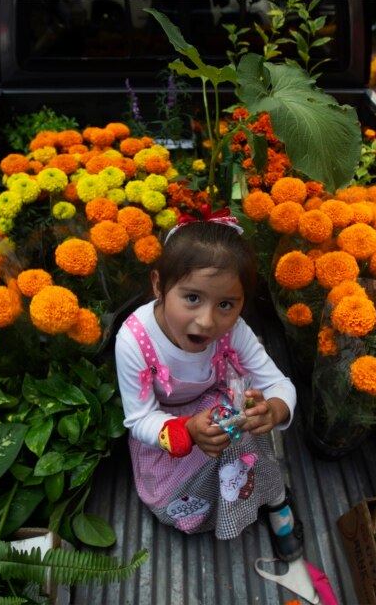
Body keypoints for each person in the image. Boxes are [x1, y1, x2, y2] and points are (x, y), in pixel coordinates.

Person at [114, 215, 304, 561]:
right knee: (187, 489)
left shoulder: (235, 331)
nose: (206, 321)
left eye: (226, 305)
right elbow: (139, 419)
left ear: (243, 303)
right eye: (191, 298)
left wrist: (274, 410)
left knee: (247, 436)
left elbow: (278, 383)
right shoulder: (134, 340)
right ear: (159, 285)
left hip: (219, 405)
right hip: (169, 426)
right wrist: (186, 429)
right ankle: (222, 502)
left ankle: (275, 498)